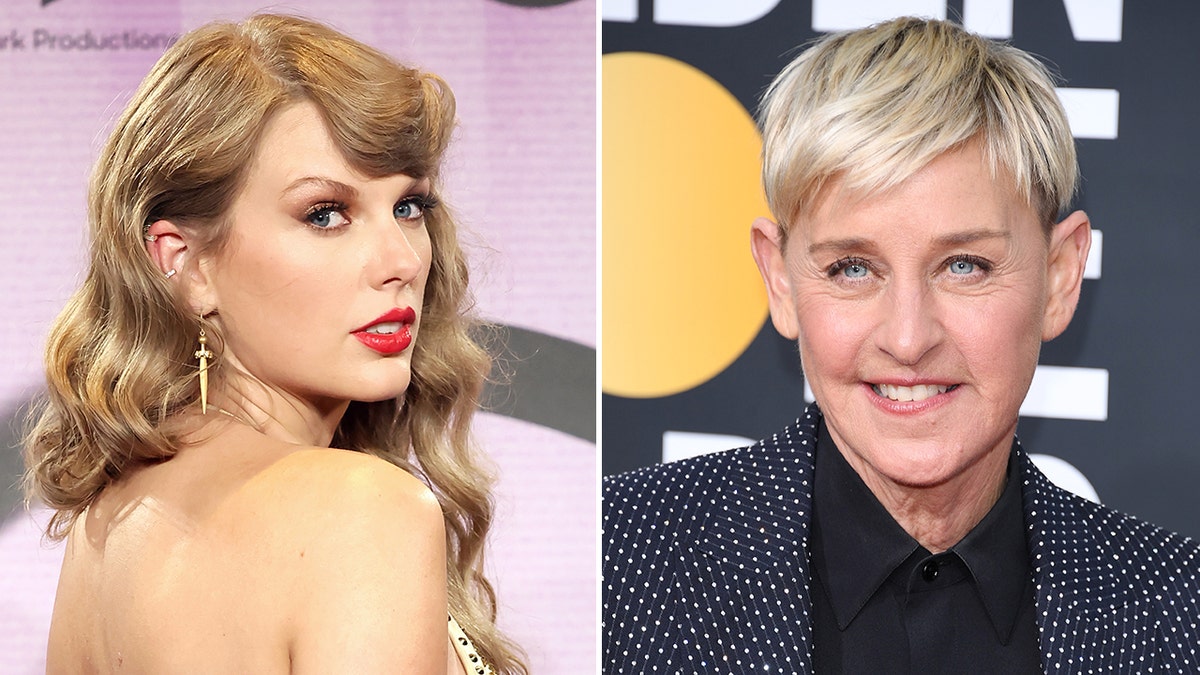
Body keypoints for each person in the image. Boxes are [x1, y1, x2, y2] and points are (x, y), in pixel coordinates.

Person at [603, 17, 1200, 673]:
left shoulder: (1177, 610)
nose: (909, 338)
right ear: (779, 278)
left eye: (965, 264)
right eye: (852, 268)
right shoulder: (617, 560)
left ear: (1059, 278)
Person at [24, 14, 525, 674]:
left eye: (409, 206)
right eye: (326, 214)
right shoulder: (361, 511)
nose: (401, 258)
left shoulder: (106, 525)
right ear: (186, 262)